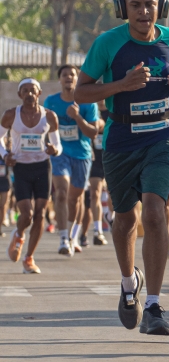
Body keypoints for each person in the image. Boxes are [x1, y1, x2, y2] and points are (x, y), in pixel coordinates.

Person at [74, 0, 169, 336]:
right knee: (125, 219)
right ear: (123, 9)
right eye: (135, 5)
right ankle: (129, 285)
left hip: (163, 136)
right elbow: (81, 92)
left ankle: (154, 304)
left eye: (150, 4)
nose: (143, 11)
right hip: (121, 140)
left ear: (161, 6)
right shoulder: (108, 43)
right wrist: (121, 85)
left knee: (155, 212)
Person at [1, 78, 63, 273]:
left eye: (32, 90)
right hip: (21, 168)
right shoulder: (11, 115)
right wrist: (5, 155)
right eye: (25, 90)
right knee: (26, 214)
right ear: (19, 94)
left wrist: (55, 150)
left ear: (39, 93)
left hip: (42, 167)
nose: (29, 94)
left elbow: (57, 144)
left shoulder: (49, 116)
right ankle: (19, 234)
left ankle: (29, 258)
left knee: (40, 214)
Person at [44, 65, 102, 256]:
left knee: (75, 198)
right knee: (61, 192)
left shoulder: (88, 103)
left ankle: (72, 235)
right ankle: (63, 238)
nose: (68, 77)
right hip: (60, 153)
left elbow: (93, 133)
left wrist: (77, 117)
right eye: (64, 75)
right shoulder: (51, 102)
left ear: (77, 79)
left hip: (82, 155)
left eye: (72, 74)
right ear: (59, 79)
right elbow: (44, 128)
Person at [79, 109, 110, 246]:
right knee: (93, 194)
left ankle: (109, 216)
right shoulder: (89, 110)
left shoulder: (113, 110)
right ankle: (97, 231)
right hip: (93, 160)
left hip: (111, 158)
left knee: (114, 195)